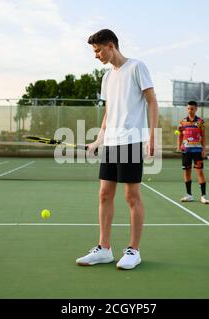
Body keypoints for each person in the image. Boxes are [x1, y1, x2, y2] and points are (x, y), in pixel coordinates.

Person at [76, 29, 158, 270]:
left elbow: (152, 101)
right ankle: (104, 249)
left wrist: (152, 136)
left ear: (111, 46)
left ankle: (134, 250)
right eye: (95, 51)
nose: (96, 55)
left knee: (131, 196)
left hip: (131, 141)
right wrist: (97, 140)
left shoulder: (136, 67)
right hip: (111, 142)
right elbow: (109, 112)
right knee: (104, 194)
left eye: (98, 50)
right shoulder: (107, 77)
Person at [176, 101, 209, 204]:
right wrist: (179, 146)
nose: (190, 110)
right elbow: (180, 134)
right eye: (188, 109)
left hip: (197, 151)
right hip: (186, 151)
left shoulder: (200, 122)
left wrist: (204, 149)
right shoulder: (182, 121)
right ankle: (189, 195)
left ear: (196, 109)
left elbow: (204, 136)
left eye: (192, 109)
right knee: (187, 172)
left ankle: (203, 196)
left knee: (199, 172)